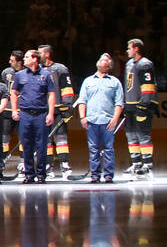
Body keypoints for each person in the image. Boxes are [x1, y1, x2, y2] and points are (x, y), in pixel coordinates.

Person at [10, 49, 57, 184]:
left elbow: (51, 94)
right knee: (27, 145)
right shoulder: (19, 75)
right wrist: (14, 110)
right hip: (25, 114)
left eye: (26, 57)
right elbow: (13, 93)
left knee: (42, 145)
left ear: (34, 59)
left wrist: (51, 113)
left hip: (40, 114)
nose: (24, 59)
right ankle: (29, 173)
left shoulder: (46, 75)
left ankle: (41, 174)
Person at [76, 53, 124, 184]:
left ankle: (108, 175)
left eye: (105, 60)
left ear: (109, 66)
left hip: (108, 121)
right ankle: (95, 175)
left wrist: (115, 119)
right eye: (100, 59)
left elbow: (119, 103)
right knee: (93, 149)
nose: (102, 61)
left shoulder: (115, 82)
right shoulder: (88, 81)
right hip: (91, 120)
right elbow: (82, 101)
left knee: (108, 148)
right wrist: (82, 117)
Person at [39, 45, 76, 178]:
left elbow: (66, 88)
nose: (38, 55)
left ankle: (64, 165)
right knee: (46, 139)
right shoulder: (36, 70)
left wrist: (67, 106)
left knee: (60, 138)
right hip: (42, 110)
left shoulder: (60, 69)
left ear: (47, 54)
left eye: (40, 53)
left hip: (58, 110)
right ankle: (48, 166)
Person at [123, 38, 157, 176]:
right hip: (130, 105)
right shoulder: (129, 64)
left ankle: (148, 164)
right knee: (130, 134)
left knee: (143, 134)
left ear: (136, 48)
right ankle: (136, 162)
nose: (127, 50)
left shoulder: (145, 64)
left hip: (142, 105)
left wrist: (144, 104)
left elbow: (148, 86)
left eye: (129, 48)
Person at [0, 50, 23, 172]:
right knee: (4, 138)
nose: (9, 62)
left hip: (22, 110)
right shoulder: (6, 73)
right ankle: (2, 160)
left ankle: (23, 162)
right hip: (8, 110)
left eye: (12, 60)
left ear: (19, 62)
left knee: (23, 137)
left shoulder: (27, 73)